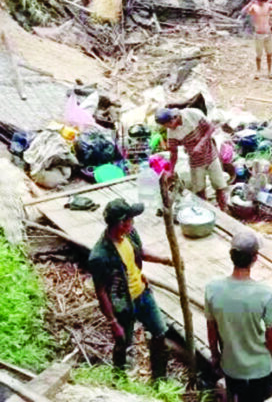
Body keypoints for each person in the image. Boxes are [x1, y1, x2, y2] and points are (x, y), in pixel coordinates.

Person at [88, 198, 173, 379]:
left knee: (159, 333)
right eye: (129, 221)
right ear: (119, 223)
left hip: (143, 294)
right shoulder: (100, 256)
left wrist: (167, 260)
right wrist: (112, 322)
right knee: (122, 342)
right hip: (122, 304)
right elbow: (101, 291)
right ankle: (119, 378)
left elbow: (140, 253)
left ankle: (159, 379)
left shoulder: (130, 234)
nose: (132, 224)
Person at [205, 231, 272, 402]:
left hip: (232, 367)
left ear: (231, 255)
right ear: (255, 259)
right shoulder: (266, 294)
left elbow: (211, 328)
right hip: (260, 368)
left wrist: (215, 355)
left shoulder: (212, 289)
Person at [155, 107, 228, 211]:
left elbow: (211, 127)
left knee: (220, 186)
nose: (169, 128)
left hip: (211, 155)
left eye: (168, 125)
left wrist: (201, 143)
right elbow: (173, 153)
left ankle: (224, 211)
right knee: (199, 191)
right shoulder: (171, 132)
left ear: (173, 119)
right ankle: (203, 213)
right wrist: (171, 170)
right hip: (195, 161)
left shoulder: (192, 114)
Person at [241, 0, 272, 77]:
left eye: (263, 0)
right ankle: (258, 71)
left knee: (269, 53)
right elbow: (244, 11)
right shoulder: (254, 7)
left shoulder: (268, 5)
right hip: (258, 33)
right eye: (260, 0)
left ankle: (270, 72)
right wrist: (251, 2)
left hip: (267, 32)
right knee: (259, 54)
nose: (262, 2)